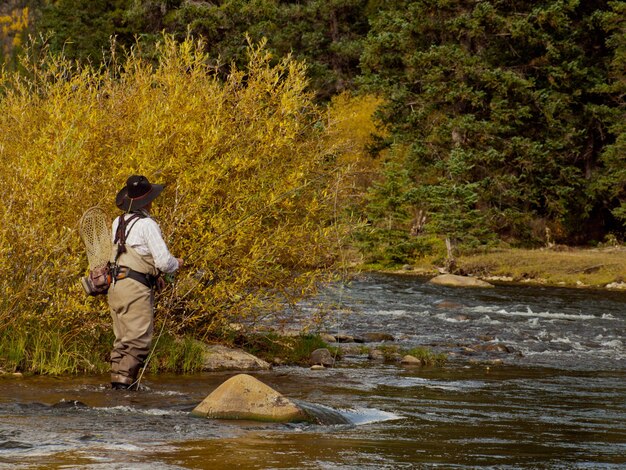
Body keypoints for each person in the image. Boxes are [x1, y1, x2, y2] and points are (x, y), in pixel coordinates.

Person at [107, 175, 183, 390]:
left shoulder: (118, 221)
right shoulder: (148, 224)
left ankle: (117, 384)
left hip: (115, 286)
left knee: (122, 340)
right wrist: (177, 263)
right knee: (138, 341)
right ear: (148, 200)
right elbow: (164, 261)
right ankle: (123, 390)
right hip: (135, 288)